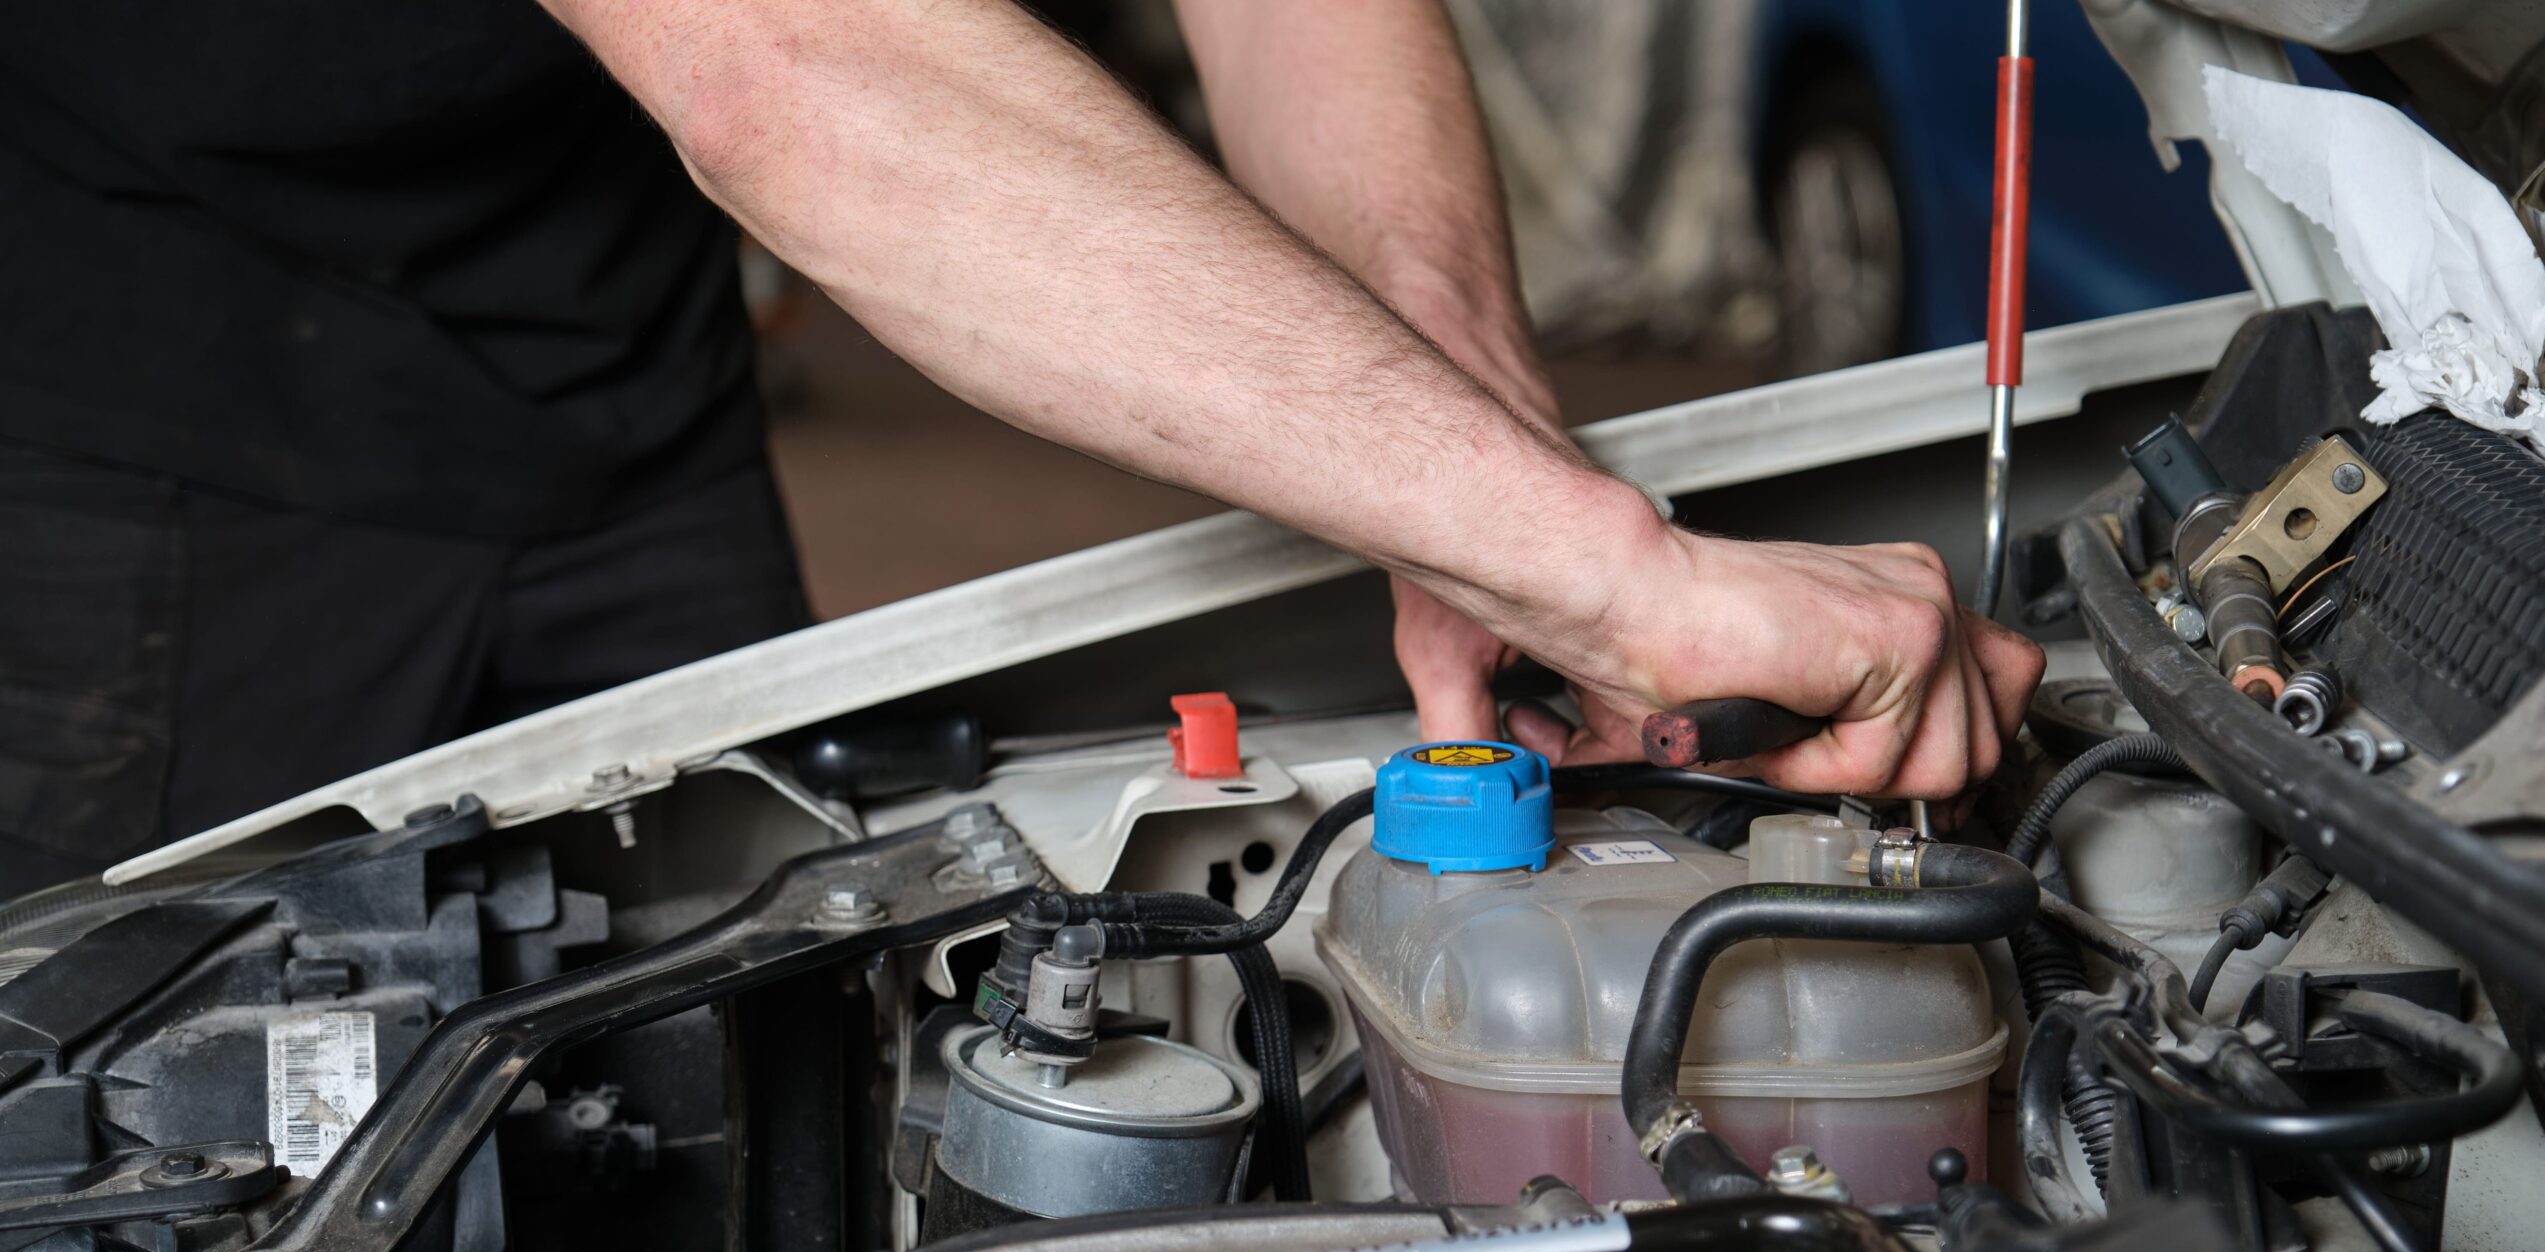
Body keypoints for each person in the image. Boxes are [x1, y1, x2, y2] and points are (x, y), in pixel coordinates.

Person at [0, 1, 2041, 901]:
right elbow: (794, 65)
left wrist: (1481, 479)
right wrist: (1616, 565)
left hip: (619, 364)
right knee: (209, 1229)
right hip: (155, 422)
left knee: (729, 1072)